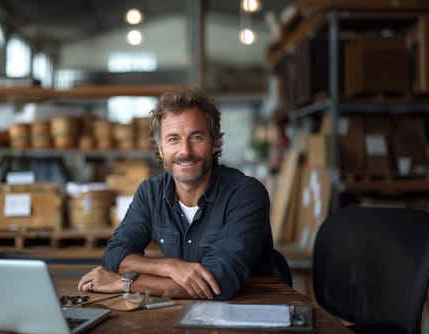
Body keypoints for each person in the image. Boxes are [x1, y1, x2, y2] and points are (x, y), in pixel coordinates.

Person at [77, 87, 289, 300]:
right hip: (183, 312)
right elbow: (115, 255)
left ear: (214, 143)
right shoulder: (150, 192)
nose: (185, 151)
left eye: (196, 137)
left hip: (248, 312)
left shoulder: (246, 194)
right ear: (160, 149)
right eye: (173, 139)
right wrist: (170, 267)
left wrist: (124, 283)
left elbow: (219, 283)